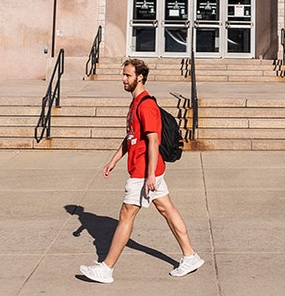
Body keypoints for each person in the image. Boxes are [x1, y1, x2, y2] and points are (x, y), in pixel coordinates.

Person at [79, 59, 203, 283]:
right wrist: (113, 161)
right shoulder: (135, 103)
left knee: (126, 215)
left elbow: (153, 140)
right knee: (167, 209)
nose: (123, 79)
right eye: (123, 75)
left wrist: (150, 175)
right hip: (146, 170)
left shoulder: (146, 105)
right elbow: (131, 138)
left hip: (144, 172)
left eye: (127, 76)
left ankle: (106, 268)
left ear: (140, 77)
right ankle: (190, 256)